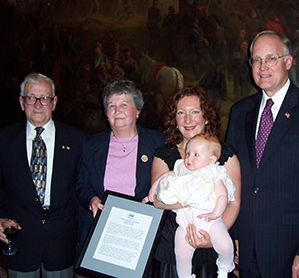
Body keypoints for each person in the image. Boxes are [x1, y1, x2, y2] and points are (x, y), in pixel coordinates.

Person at [226, 31, 299, 278]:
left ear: (288, 62)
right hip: (246, 248)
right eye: (256, 60)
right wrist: (232, 234)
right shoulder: (239, 112)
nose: (262, 67)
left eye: (271, 59)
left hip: (292, 252)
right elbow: (228, 181)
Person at [0, 72, 86, 278]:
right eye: (31, 97)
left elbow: (84, 190)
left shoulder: (78, 140)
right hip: (20, 243)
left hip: (62, 245)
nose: (38, 104)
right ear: (22, 102)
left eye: (44, 97)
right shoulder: (3, 140)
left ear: (54, 102)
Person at [150, 86, 241, 278]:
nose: (188, 120)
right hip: (171, 252)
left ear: (206, 117)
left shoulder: (224, 155)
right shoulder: (165, 156)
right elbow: (158, 201)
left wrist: (210, 238)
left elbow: (234, 201)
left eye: (195, 112)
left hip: (212, 246)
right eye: (181, 113)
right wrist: (194, 199)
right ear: (175, 120)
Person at [76, 79, 164, 245]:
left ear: (137, 110)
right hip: (101, 231)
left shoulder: (158, 142)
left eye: (124, 104)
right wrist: (92, 199)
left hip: (142, 233)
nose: (117, 111)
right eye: (111, 106)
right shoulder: (91, 144)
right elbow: (81, 185)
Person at [149, 133, 235, 278]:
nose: (189, 158)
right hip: (185, 222)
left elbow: (222, 195)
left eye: (196, 155)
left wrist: (215, 214)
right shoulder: (181, 168)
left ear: (211, 160)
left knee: (226, 245)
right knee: (181, 254)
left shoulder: (213, 173)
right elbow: (166, 176)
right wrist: (153, 189)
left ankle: (224, 268)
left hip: (209, 219)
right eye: (188, 153)